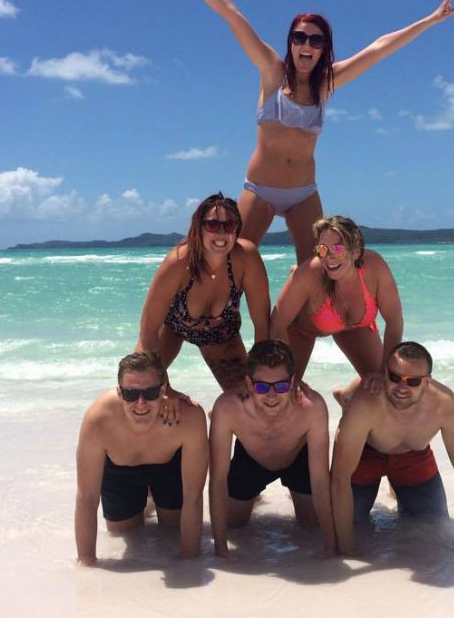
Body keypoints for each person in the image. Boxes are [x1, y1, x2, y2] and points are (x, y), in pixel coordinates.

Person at [158, 0, 454, 263]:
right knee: (234, 262)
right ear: (290, 42)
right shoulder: (272, 73)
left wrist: (430, 21)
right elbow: (231, 14)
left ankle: (296, 314)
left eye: (315, 41)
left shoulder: (326, 84)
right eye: (299, 37)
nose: (307, 45)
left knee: (316, 267)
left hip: (303, 193)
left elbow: (379, 48)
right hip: (260, 189)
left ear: (323, 49)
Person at [330, 341, 454, 557]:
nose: (402, 388)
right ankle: (345, 394)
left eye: (413, 381)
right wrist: (346, 552)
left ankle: (396, 487)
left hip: (413, 456)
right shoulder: (366, 401)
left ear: (427, 382)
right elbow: (340, 478)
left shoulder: (444, 404)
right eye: (395, 378)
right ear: (385, 373)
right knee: (351, 525)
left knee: (433, 524)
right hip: (366, 453)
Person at [74, 351, 209, 564]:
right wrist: (86, 562)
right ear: (119, 392)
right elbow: (87, 499)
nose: (140, 403)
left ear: (163, 390)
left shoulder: (189, 417)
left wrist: (190, 561)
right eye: (130, 394)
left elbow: (194, 496)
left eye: (151, 393)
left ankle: (153, 499)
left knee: (172, 528)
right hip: (120, 468)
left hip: (168, 464)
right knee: (125, 533)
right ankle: (148, 502)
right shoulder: (98, 420)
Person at [207, 340, 336, 557]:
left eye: (282, 386)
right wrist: (220, 548)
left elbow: (321, 479)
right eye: (262, 387)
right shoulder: (227, 407)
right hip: (251, 456)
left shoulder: (312, 407)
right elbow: (218, 479)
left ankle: (292, 492)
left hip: (296, 456)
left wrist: (331, 546)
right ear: (248, 384)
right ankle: (255, 496)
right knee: (234, 525)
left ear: (293, 381)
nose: (272, 395)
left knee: (310, 524)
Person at [137, 193, 270, 392]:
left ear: (237, 230)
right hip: (173, 329)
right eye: (212, 225)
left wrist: (261, 377)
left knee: (248, 401)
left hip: (222, 336)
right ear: (198, 228)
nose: (221, 233)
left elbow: (262, 326)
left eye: (229, 225)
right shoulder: (179, 262)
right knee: (141, 389)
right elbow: (148, 330)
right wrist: (165, 389)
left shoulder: (246, 259)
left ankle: (217, 416)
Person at [269, 215, 402, 391]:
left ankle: (347, 394)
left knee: (385, 385)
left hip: (355, 326)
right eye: (322, 249)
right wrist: (287, 375)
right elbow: (277, 324)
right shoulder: (309, 273)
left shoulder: (375, 267)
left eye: (338, 249)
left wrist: (384, 371)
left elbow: (394, 321)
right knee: (287, 390)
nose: (329, 257)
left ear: (355, 251)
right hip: (302, 330)